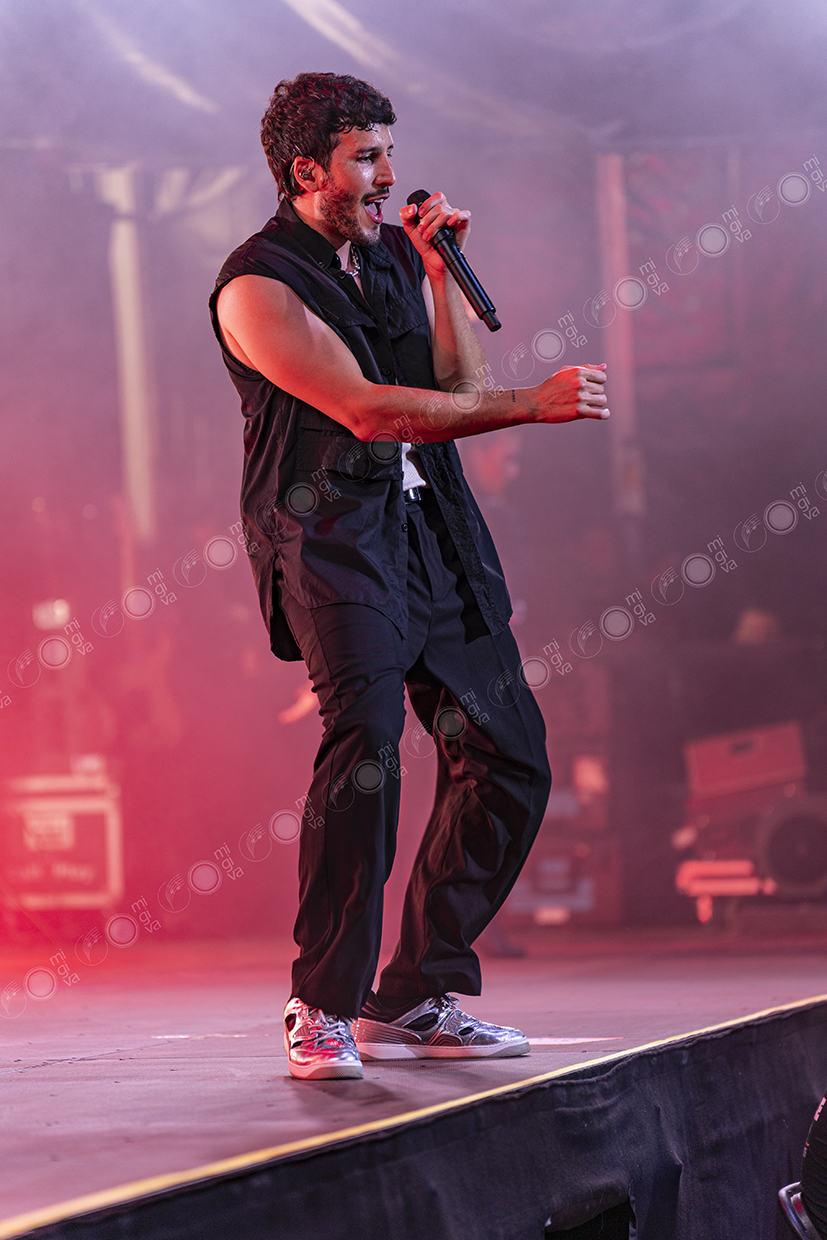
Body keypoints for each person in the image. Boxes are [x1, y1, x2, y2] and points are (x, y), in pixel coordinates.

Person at [209, 72, 609, 1080]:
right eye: (366, 158)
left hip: (434, 530)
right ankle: (321, 1002)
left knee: (510, 755)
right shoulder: (257, 284)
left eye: (389, 152)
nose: (389, 175)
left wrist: (437, 276)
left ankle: (413, 990)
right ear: (306, 170)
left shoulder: (391, 252)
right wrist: (533, 403)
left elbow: (455, 390)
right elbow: (367, 410)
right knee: (369, 750)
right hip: (333, 537)